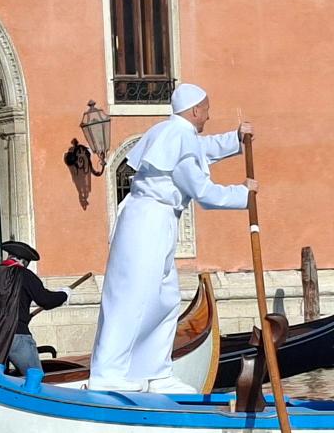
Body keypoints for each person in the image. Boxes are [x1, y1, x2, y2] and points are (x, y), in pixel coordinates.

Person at [88, 84, 254, 393]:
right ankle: (107, 372)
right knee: (132, 295)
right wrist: (244, 194)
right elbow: (203, 193)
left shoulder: (175, 133)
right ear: (195, 110)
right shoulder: (178, 136)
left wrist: (236, 139)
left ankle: (154, 372)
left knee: (165, 298)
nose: (209, 115)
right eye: (206, 109)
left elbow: (203, 149)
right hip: (147, 223)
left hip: (159, 221)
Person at [0, 240, 69, 376]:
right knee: (34, 378)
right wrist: (64, 294)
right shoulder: (24, 274)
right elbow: (45, 300)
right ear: (23, 261)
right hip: (16, 335)